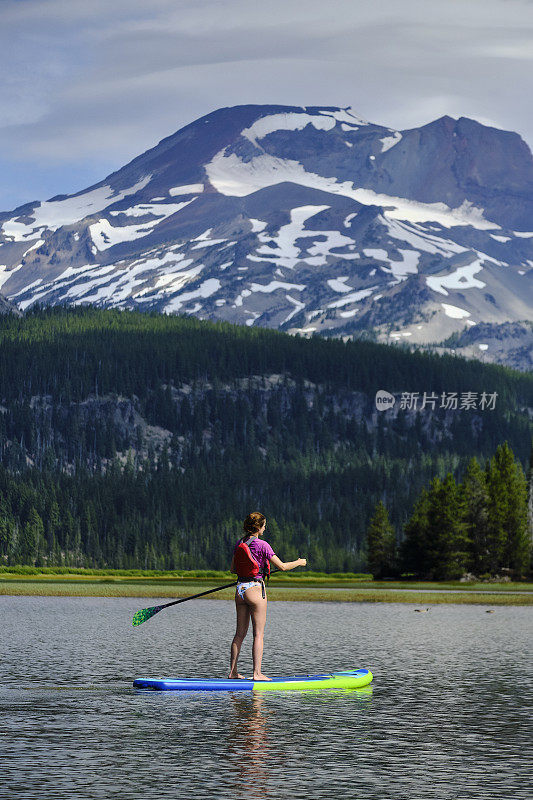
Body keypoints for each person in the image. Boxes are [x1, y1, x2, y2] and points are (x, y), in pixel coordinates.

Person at [228, 512, 306, 681]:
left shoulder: (239, 543)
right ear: (259, 527)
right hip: (255, 590)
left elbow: (233, 570)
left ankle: (233, 672)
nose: (265, 528)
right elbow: (283, 567)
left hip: (240, 590)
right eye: (264, 525)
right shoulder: (263, 545)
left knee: (239, 634)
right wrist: (299, 562)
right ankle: (257, 674)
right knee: (258, 634)